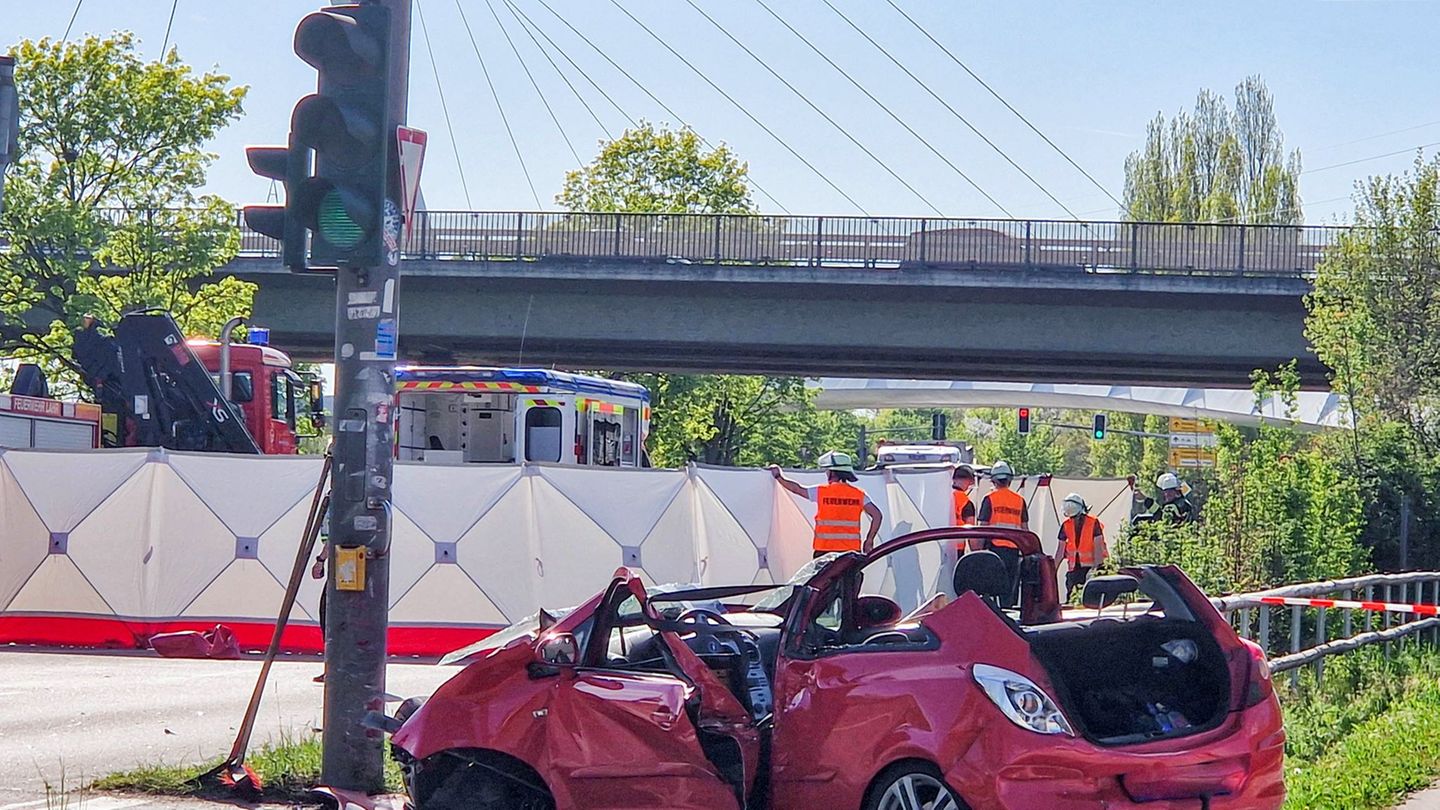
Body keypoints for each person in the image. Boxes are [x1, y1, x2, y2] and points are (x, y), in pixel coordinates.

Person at [770, 450, 883, 557]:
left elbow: (797, 489)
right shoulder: (859, 495)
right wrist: (869, 540)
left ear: (832, 472)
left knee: (822, 578)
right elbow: (877, 515)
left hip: (824, 551)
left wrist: (778, 477)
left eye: (827, 470)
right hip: (850, 552)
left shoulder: (821, 492)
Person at [975, 460, 1028, 607]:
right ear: (1010, 479)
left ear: (993, 480)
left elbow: (982, 528)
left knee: (991, 590)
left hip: (994, 551)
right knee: (1009, 591)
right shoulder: (1019, 501)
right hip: (1014, 551)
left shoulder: (990, 499)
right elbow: (1025, 530)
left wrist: (977, 551)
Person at [1055, 492, 1105, 599]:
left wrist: (1096, 570)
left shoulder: (1093, 523)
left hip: (1090, 569)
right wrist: (1052, 570)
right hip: (1074, 570)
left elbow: (1098, 549)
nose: (1075, 520)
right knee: (1072, 598)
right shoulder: (1066, 525)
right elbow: (1060, 551)